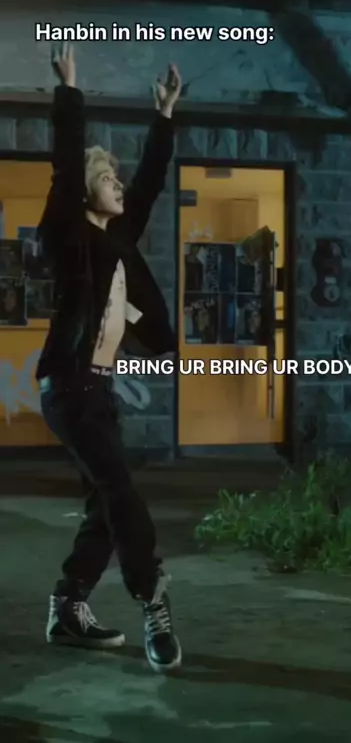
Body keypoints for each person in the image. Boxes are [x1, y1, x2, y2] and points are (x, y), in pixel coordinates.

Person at [36, 43, 182, 673]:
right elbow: (66, 169)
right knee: (120, 490)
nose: (116, 184)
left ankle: (69, 605)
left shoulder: (120, 239)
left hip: (99, 389)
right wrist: (70, 89)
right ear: (85, 193)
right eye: (105, 179)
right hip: (67, 386)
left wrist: (165, 116)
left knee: (104, 498)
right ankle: (153, 597)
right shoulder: (70, 238)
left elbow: (148, 181)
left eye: (114, 178)